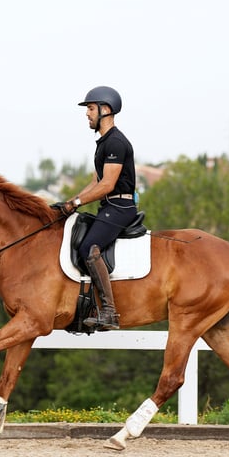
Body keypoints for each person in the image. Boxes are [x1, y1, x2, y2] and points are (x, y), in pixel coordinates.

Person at [58, 86, 138, 330]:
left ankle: (110, 313)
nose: (87, 114)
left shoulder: (115, 142)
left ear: (106, 110)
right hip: (110, 204)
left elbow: (107, 184)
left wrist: (78, 202)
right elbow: (95, 181)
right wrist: (71, 202)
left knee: (89, 248)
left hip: (121, 206)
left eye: (91, 109)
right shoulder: (103, 143)